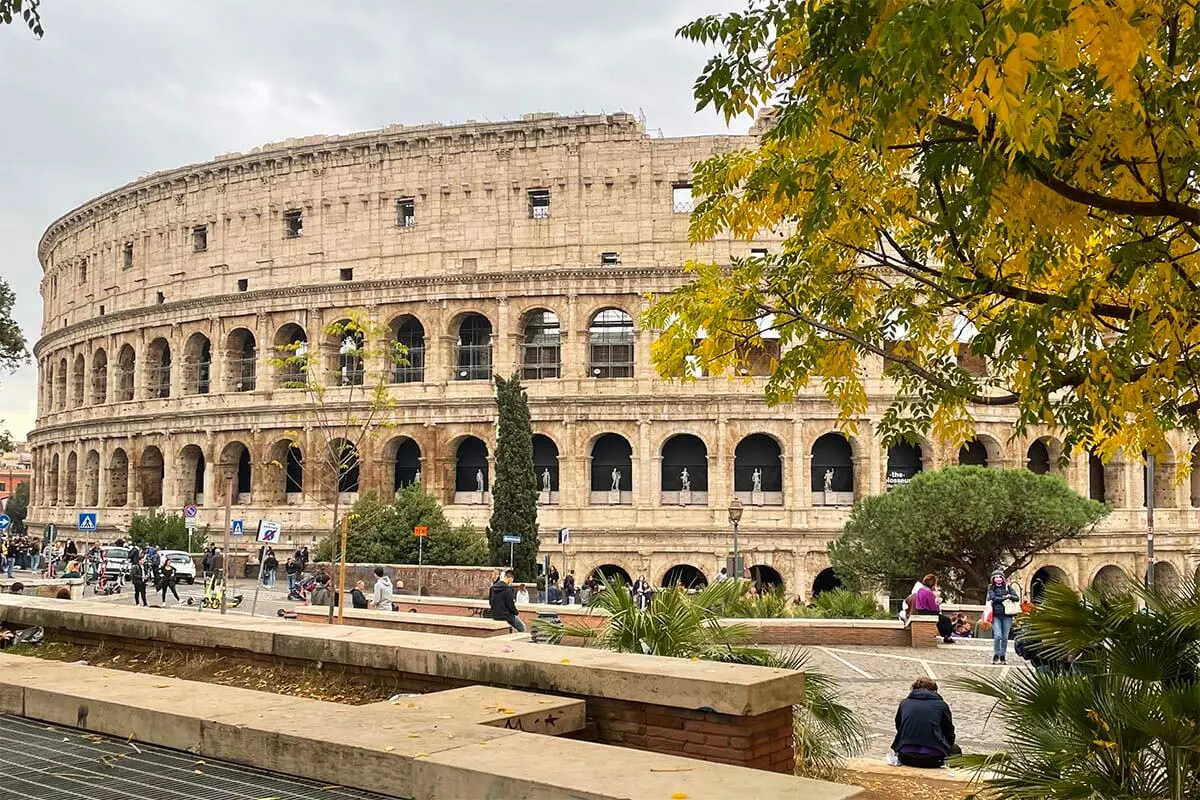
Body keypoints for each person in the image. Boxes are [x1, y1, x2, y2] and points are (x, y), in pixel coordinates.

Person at [891, 677, 959, 768]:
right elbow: (949, 732)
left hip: (905, 756)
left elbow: (899, 726)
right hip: (933, 759)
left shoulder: (905, 703)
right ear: (935, 691)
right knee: (955, 749)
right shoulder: (941, 705)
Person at [986, 570, 1021, 664]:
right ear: (993, 579)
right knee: (997, 636)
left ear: (1003, 578)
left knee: (1005, 637)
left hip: (1007, 615)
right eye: (996, 577)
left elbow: (1016, 597)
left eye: (1000, 577)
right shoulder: (991, 588)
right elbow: (993, 598)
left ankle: (1002, 655)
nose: (998, 579)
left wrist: (1009, 596)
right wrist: (1005, 597)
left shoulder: (1008, 587)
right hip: (996, 615)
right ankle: (996, 654)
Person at [912, 574, 954, 644]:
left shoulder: (920, 590)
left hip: (920, 611)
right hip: (928, 612)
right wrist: (938, 603)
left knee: (942, 620)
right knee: (946, 620)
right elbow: (934, 608)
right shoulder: (928, 593)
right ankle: (947, 637)